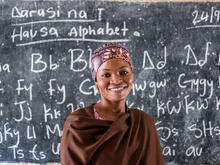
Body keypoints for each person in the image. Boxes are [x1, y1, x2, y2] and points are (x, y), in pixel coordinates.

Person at [60, 43, 164, 165]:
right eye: (106, 75)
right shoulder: (77, 124)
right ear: (96, 82)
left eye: (123, 72)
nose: (116, 80)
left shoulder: (143, 123)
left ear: (132, 76)